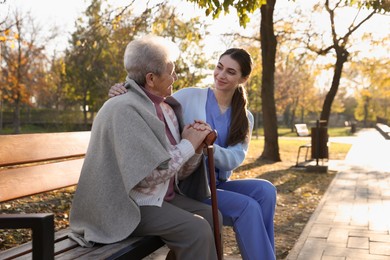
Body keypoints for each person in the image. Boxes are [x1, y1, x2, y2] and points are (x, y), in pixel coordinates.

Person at [109, 48, 277, 260]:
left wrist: (206, 144)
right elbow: (152, 96)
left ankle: (266, 255)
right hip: (194, 185)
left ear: (243, 79)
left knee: (266, 191)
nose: (221, 75)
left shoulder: (245, 117)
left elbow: (235, 159)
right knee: (248, 207)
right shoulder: (190, 96)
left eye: (231, 72)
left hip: (218, 185)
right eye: (219, 67)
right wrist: (123, 88)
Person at [69, 34, 222, 260]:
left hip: (160, 197)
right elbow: (150, 176)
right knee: (196, 230)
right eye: (171, 72)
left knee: (212, 217)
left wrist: (196, 147)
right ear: (151, 78)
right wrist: (188, 143)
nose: (175, 77)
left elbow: (178, 172)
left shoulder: (168, 110)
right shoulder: (124, 109)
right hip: (127, 204)